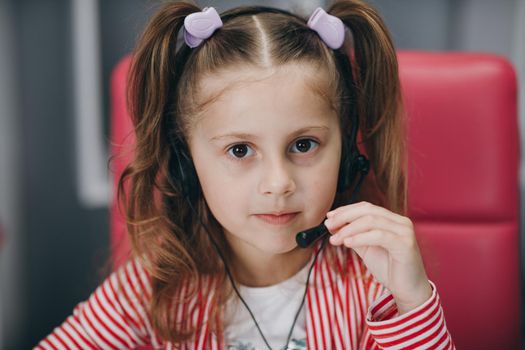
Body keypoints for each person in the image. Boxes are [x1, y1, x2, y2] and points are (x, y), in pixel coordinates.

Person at [36, 1, 456, 349]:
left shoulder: (373, 285)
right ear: (186, 162)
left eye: (304, 145)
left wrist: (412, 300)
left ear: (346, 153)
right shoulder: (152, 286)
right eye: (240, 150)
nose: (278, 182)